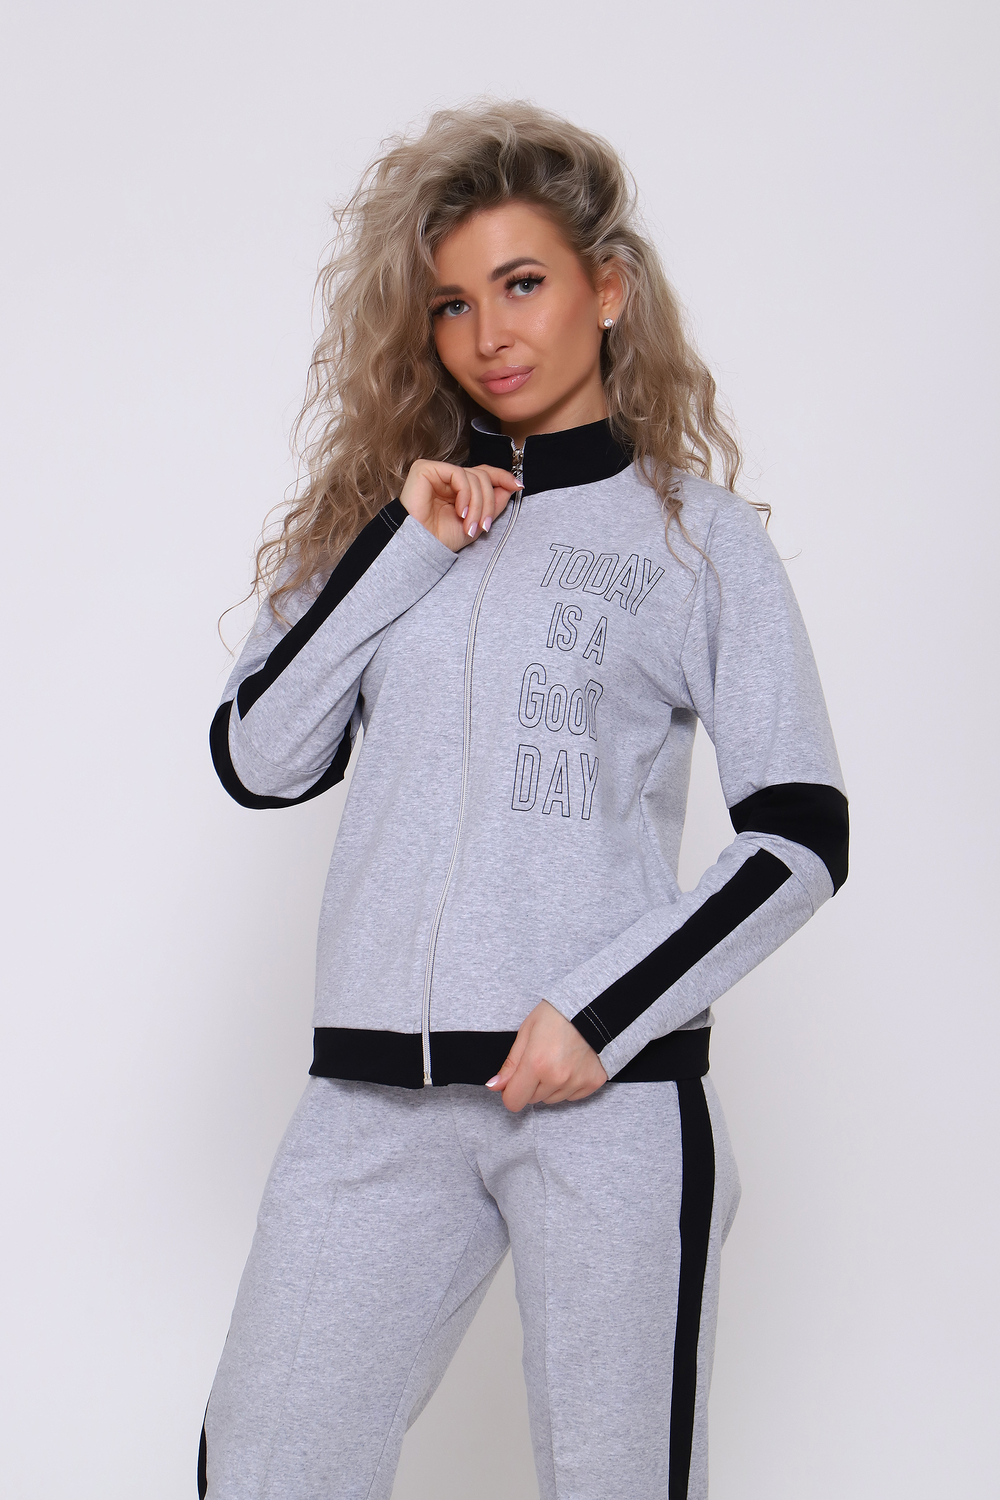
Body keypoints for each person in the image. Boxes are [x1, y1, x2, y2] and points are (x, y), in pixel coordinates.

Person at [201, 100, 848, 1500]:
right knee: (265, 1464)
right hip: (374, 1097)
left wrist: (600, 1016)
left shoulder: (696, 540)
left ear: (607, 290)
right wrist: (403, 542)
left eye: (522, 283)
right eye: (451, 304)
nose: (487, 333)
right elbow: (260, 758)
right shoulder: (390, 527)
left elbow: (800, 833)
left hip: (602, 1099)